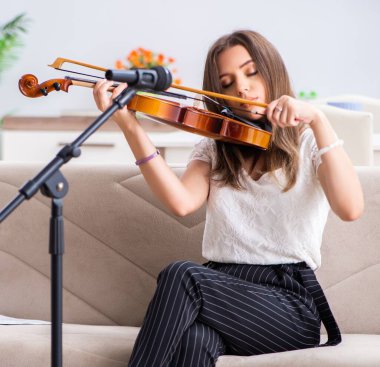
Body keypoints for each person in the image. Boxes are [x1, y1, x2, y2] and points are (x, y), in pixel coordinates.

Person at [93, 30, 364, 367]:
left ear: (273, 71)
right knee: (194, 341)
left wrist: (319, 119)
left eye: (251, 72)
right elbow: (181, 202)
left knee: (182, 274)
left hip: (287, 306)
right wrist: (131, 128)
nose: (242, 88)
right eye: (227, 82)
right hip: (223, 291)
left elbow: (350, 208)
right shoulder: (213, 146)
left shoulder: (309, 143)